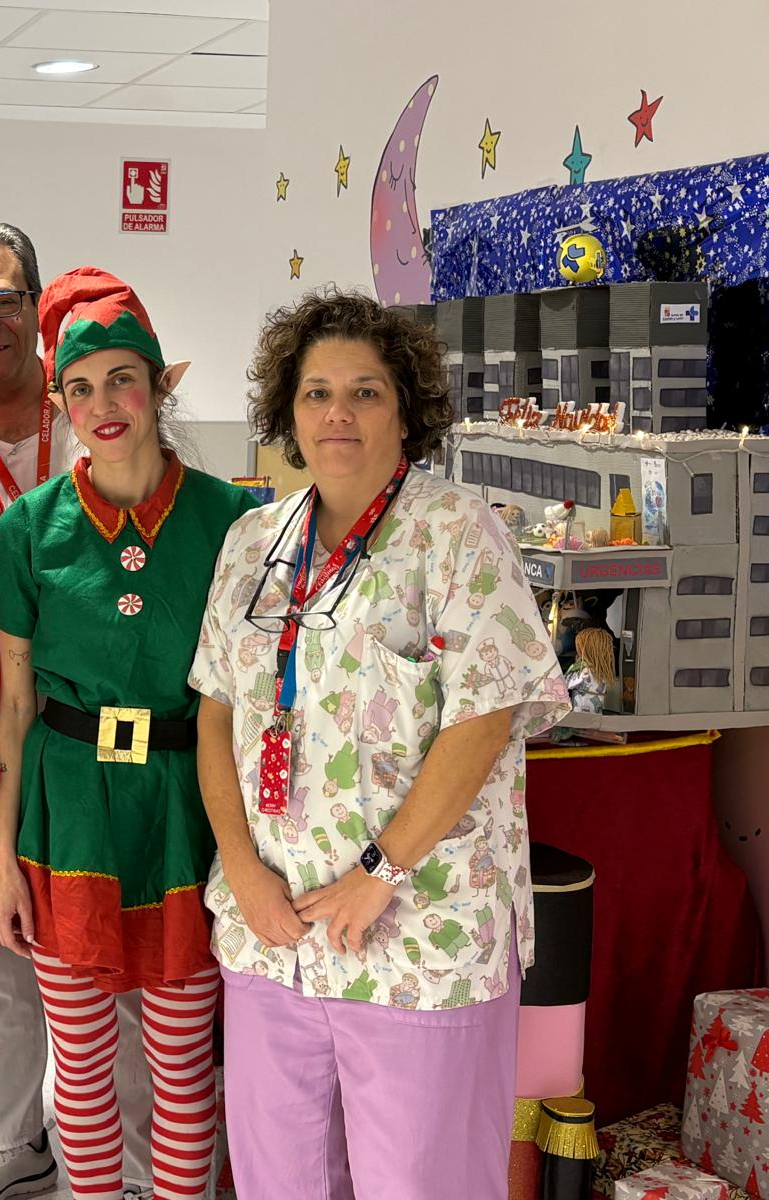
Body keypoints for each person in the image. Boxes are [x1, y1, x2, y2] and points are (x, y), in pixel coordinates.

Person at [189, 289, 569, 1200]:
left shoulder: (458, 533)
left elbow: (483, 719)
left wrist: (380, 874)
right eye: (317, 392)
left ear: (407, 409)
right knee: (283, 1181)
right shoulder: (251, 544)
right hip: (275, 935)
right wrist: (239, 867)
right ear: (288, 410)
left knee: (422, 1183)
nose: (337, 413)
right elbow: (214, 710)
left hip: (418, 937)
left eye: (364, 391)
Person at [0, 268, 256, 1200]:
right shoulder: (26, 531)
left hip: (184, 807)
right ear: (59, 401)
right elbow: (12, 706)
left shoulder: (234, 520)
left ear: (160, 385)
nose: (105, 406)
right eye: (81, 389)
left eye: (123, 380)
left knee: (181, 1066)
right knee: (80, 1065)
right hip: (67, 813)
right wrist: (2, 858)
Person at [0, 225, 152, 1200]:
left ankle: (147, 1167)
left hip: (110, 742)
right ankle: (14, 1142)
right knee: (3, 958)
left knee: (131, 963)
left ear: (38, 310)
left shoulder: (101, 420)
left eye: (3, 300)